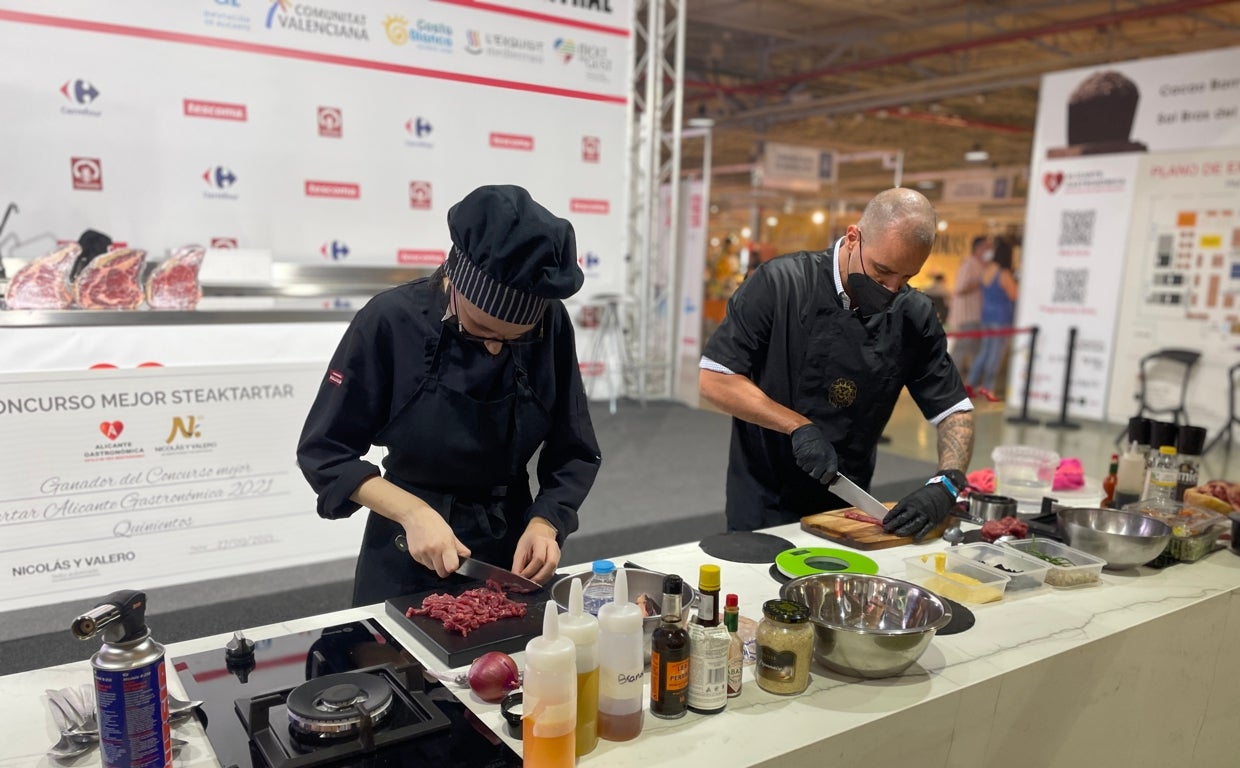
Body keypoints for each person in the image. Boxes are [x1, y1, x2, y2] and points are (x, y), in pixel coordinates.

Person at [297, 185, 602, 606]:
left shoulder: (551, 323)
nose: (495, 348)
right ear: (455, 281)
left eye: (513, 339)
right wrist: (413, 513)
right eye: (480, 331)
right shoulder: (389, 322)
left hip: (510, 548)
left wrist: (547, 522)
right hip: (408, 546)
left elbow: (574, 448)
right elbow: (325, 452)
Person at [699, 187, 974, 540]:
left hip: (848, 508)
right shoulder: (780, 284)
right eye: (881, 272)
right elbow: (716, 377)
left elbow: (954, 409)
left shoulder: (913, 315)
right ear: (853, 237)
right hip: (763, 497)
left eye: (905, 278)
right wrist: (797, 426)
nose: (890, 290)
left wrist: (946, 483)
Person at [965, 237, 1019, 401]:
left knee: (984, 352)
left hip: (986, 316)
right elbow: (1014, 295)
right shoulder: (1004, 274)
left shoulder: (987, 270)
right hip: (1001, 319)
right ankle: (988, 389)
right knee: (995, 355)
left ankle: (969, 384)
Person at [949, 236, 989, 389]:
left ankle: (973, 381)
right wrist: (981, 282)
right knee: (962, 349)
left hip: (977, 315)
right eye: (987, 247)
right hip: (967, 316)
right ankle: (951, 382)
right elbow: (960, 289)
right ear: (979, 249)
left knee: (975, 350)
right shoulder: (968, 264)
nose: (990, 251)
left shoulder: (982, 265)